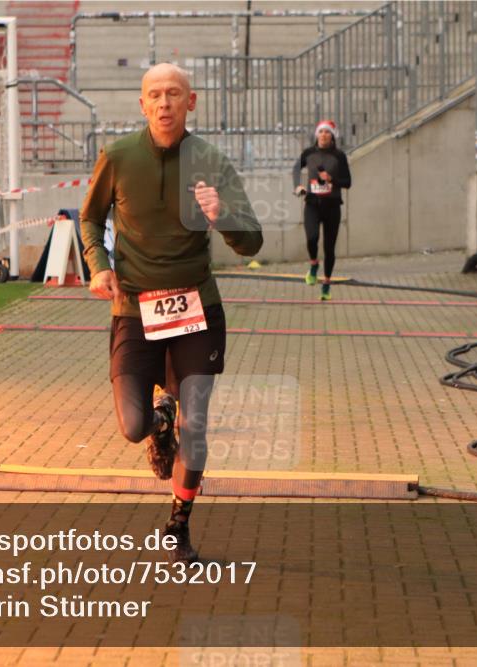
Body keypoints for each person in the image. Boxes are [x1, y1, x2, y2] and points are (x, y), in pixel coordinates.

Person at [80, 63, 263, 564]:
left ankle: (178, 526)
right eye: (155, 95)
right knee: (132, 425)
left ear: (191, 102)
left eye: (174, 94)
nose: (165, 103)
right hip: (134, 309)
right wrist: (98, 266)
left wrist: (220, 214)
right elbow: (91, 217)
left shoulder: (211, 160)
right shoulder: (117, 156)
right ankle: (160, 423)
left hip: (196, 307)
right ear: (142, 105)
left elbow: (251, 242)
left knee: (198, 425)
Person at [292, 120, 351, 301]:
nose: (324, 135)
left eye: (327, 132)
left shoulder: (339, 156)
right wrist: (298, 186)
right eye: (321, 132)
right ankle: (313, 264)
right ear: (316, 135)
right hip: (312, 204)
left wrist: (331, 179)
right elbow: (296, 168)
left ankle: (326, 284)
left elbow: (348, 182)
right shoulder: (309, 153)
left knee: (329, 247)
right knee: (312, 238)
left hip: (332, 206)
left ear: (332, 136)